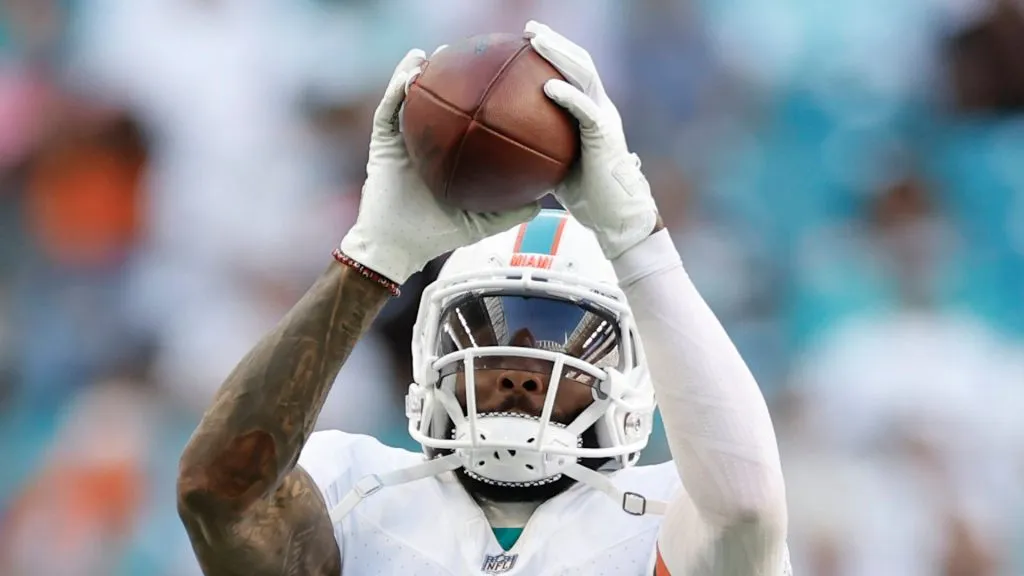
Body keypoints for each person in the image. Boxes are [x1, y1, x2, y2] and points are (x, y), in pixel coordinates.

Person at [175, 21, 789, 575]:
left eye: (562, 337)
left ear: (630, 374)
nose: (522, 369)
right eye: (486, 329)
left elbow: (746, 509)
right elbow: (217, 496)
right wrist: (372, 257)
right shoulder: (356, 495)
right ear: (432, 348)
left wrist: (639, 245)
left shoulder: (664, 517)